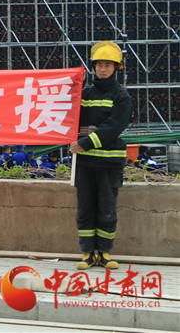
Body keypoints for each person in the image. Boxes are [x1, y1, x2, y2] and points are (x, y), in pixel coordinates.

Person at [69, 41, 132, 270]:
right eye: (99, 65)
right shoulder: (84, 93)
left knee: (106, 209)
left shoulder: (122, 97)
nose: (103, 69)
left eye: (107, 65)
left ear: (116, 68)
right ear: (94, 67)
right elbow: (70, 116)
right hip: (85, 163)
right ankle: (87, 253)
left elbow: (113, 127)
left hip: (109, 164)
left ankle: (104, 253)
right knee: (85, 209)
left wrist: (85, 143)